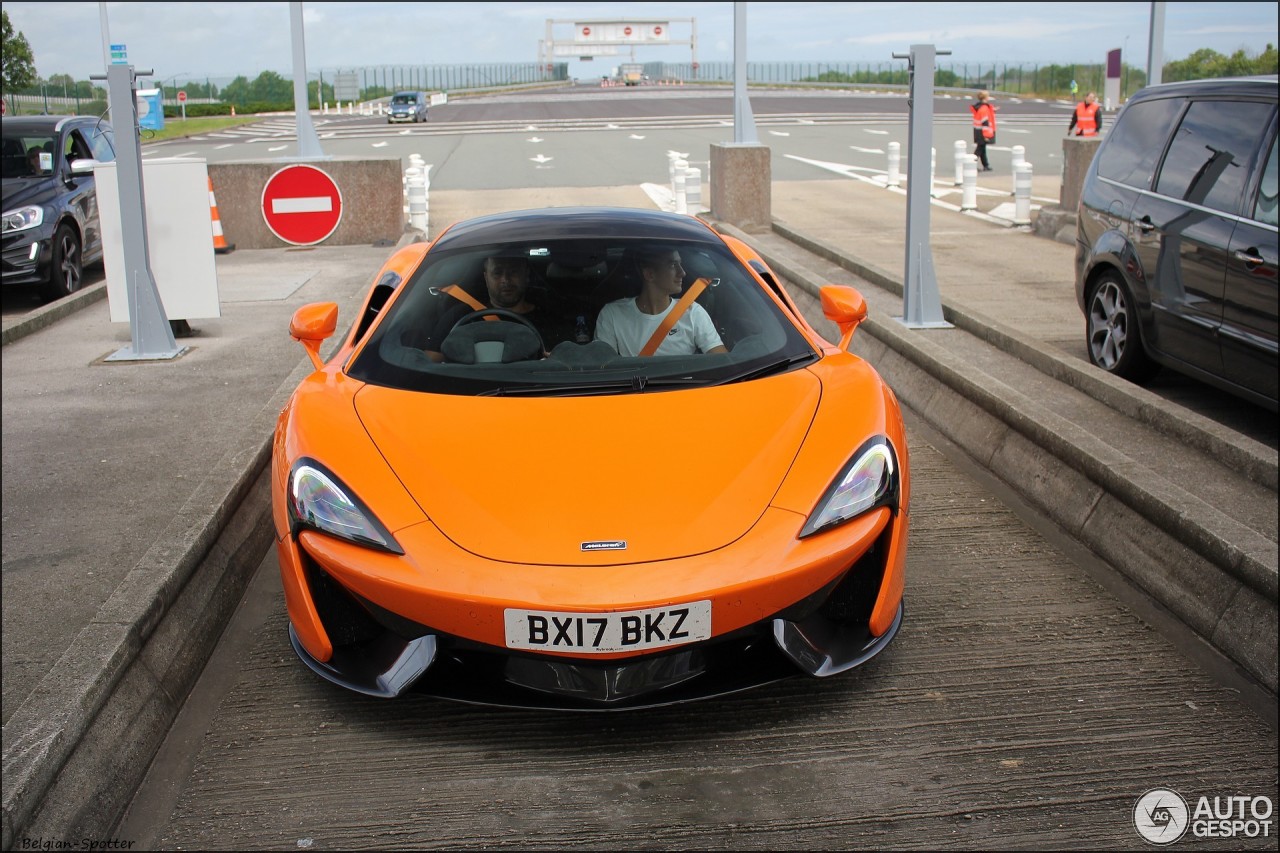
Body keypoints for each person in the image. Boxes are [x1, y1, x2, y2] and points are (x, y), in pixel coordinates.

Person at [415, 249, 569, 361]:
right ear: (486, 277)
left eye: (513, 272)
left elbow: (565, 365)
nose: (505, 280)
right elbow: (430, 363)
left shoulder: (549, 319)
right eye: (497, 273)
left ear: (526, 275)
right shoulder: (459, 316)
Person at [594, 247, 727, 356]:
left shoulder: (693, 312)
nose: (682, 273)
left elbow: (722, 362)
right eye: (673, 265)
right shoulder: (612, 315)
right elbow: (603, 367)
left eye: (680, 264)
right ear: (649, 274)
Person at [971, 90, 997, 172]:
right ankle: (971, 164)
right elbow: (985, 122)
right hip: (982, 132)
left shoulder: (980, 107)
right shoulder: (984, 108)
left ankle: (986, 165)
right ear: (985, 98)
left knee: (982, 148)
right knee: (979, 149)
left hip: (978, 130)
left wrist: (993, 110)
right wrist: (986, 135)